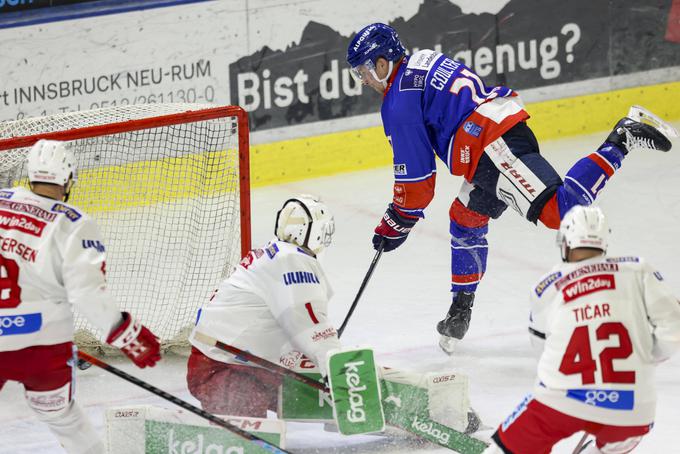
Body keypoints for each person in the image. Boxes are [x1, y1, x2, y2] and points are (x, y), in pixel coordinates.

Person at [345, 23, 676, 354]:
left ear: (382, 61)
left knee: (562, 213)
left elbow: (417, 178)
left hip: (492, 148)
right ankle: (460, 310)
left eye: (365, 70)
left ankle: (622, 138)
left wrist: (398, 219)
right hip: (492, 136)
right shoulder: (422, 60)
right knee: (464, 218)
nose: (364, 80)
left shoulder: (398, 101)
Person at [0, 140, 161, 454]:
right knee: (65, 420)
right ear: (68, 179)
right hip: (41, 347)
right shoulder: (74, 223)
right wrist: (131, 338)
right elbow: (87, 294)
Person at [484, 205, 680, 453]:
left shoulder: (547, 286)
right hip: (633, 409)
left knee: (502, 450)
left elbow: (542, 349)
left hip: (561, 401)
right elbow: (674, 327)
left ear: (565, 242)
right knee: (622, 438)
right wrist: (646, 356)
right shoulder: (638, 269)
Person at [187, 195, 338, 417]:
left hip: (235, 364)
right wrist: (334, 365)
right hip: (226, 370)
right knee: (248, 439)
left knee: (306, 384)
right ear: (316, 232)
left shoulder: (275, 255)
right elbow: (308, 324)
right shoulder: (292, 261)